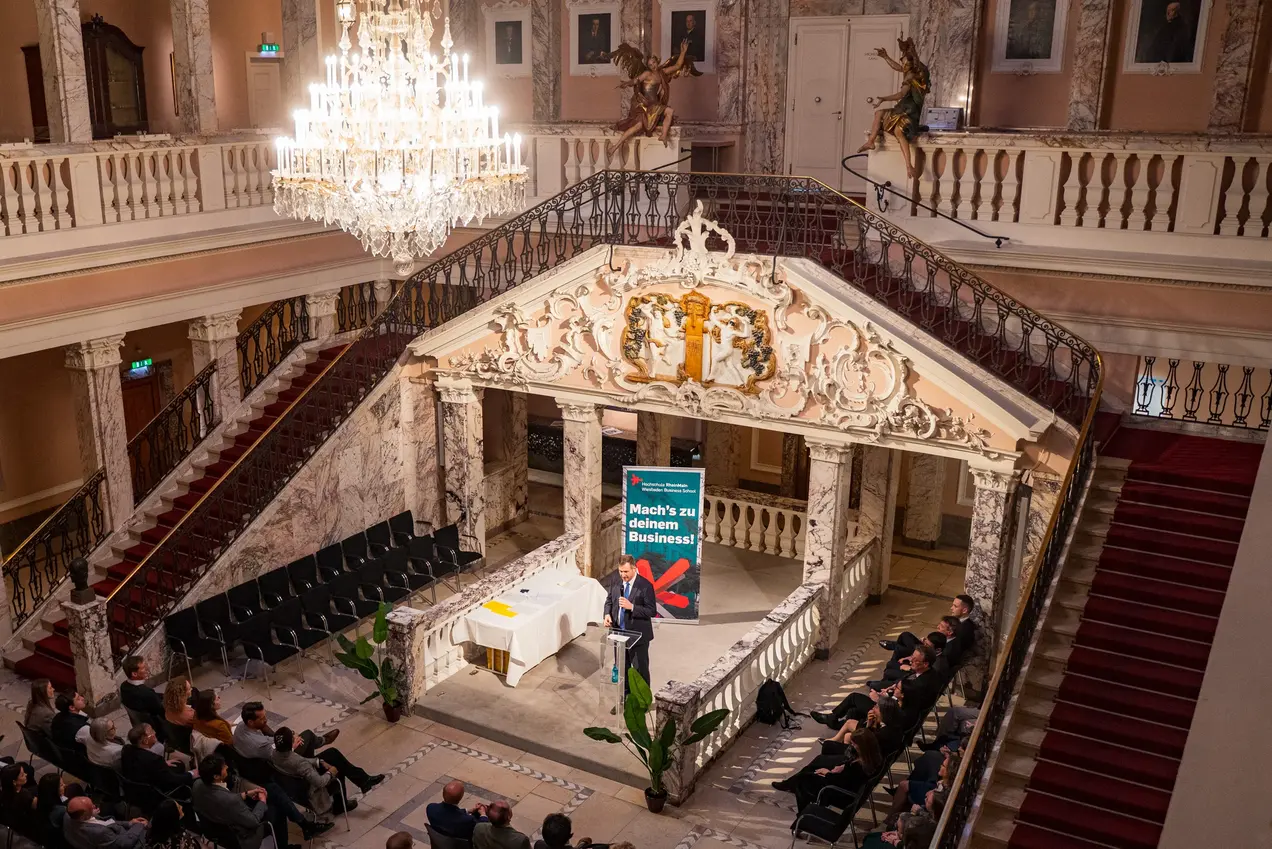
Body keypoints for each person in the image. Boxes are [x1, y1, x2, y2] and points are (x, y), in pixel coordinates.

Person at [192, 753, 306, 849]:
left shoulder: (197, 785)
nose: (226, 767)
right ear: (216, 776)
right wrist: (262, 801)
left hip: (214, 831)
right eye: (223, 767)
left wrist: (246, 794)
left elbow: (225, 799)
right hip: (241, 838)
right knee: (277, 810)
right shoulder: (230, 801)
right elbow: (254, 821)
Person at [813, 646, 941, 729]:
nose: (911, 661)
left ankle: (833, 719)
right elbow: (904, 688)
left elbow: (902, 705)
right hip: (895, 703)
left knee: (854, 698)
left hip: (890, 715)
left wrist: (879, 699)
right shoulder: (927, 673)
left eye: (915, 660)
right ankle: (840, 724)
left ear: (925, 663)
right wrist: (891, 689)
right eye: (912, 657)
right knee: (854, 711)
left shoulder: (921, 685)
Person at [856, 37, 930, 178]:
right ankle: (871, 141)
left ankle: (909, 166)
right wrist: (885, 57)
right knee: (879, 113)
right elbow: (897, 67)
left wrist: (884, 98)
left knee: (899, 131)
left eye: (904, 63)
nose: (903, 66)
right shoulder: (909, 73)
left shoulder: (916, 76)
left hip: (909, 112)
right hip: (901, 108)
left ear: (911, 63)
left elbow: (901, 94)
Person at [271, 726, 383, 815]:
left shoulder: (274, 754)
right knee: (337, 765)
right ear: (291, 744)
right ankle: (343, 801)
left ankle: (363, 781)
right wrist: (331, 772)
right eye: (293, 735)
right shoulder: (300, 763)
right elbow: (319, 782)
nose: (296, 736)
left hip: (294, 787)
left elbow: (296, 759)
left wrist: (319, 762)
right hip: (310, 792)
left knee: (331, 753)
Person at [602, 554, 656, 703]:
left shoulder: (645, 586)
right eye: (620, 571)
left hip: (637, 636)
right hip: (618, 634)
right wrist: (607, 614)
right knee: (622, 670)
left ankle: (642, 701)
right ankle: (624, 701)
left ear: (634, 569)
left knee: (639, 671)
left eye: (626, 572)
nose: (623, 575)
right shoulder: (616, 581)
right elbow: (609, 600)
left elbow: (651, 611)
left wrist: (632, 607)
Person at [233, 702, 339, 762]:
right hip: (276, 762)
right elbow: (280, 757)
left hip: (255, 753)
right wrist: (292, 745)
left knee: (297, 738)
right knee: (307, 735)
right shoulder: (260, 744)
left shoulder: (241, 725)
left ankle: (310, 753)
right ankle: (321, 742)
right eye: (261, 719)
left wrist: (287, 735)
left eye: (265, 716)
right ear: (251, 722)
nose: (266, 720)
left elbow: (265, 729)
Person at [121, 724, 195, 793]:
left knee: (178, 765)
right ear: (145, 741)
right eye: (152, 732)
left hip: (137, 785)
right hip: (154, 791)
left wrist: (163, 763)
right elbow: (172, 779)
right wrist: (192, 774)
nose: (155, 732)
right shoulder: (153, 759)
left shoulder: (126, 750)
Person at [62, 796, 147, 849]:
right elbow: (125, 844)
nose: (94, 806)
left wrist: (129, 823)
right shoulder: (100, 832)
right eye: (91, 807)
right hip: (122, 839)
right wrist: (139, 825)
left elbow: (107, 822)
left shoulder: (68, 814)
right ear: (84, 816)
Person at [869, 632, 945, 689]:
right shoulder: (929, 656)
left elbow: (914, 682)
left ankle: (894, 646)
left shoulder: (936, 666)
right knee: (890, 666)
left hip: (911, 678)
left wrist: (910, 669)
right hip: (914, 673)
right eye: (924, 642)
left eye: (927, 645)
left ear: (938, 650)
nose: (924, 645)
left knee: (874, 684)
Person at [120, 657, 167, 740]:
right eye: (143, 668)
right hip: (156, 726)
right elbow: (163, 713)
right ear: (134, 674)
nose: (147, 669)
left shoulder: (123, 687)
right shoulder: (146, 693)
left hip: (139, 723)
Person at [138, 800, 205, 849]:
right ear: (174, 817)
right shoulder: (181, 839)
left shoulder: (151, 830)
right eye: (178, 807)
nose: (181, 807)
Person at [1, 762, 38, 835]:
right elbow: (37, 806)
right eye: (22, 775)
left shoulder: (4, 791)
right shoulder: (25, 795)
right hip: (23, 826)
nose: (26, 774)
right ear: (14, 782)